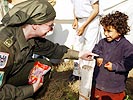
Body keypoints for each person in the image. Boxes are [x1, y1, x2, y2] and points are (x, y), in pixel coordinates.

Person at [0, 0, 98, 100]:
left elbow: (53, 50)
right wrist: (30, 90)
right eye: (50, 26)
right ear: (35, 24)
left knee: (43, 66)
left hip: (9, 75)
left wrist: (80, 54)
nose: (51, 30)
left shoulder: (29, 36)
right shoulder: (4, 48)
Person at [91, 11, 133, 100]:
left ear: (120, 31)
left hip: (114, 88)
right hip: (98, 83)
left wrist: (114, 66)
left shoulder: (127, 46)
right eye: (104, 30)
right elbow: (95, 49)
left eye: (109, 31)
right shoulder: (103, 42)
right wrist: (99, 56)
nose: (106, 34)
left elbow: (129, 63)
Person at [69, 0, 101, 99]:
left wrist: (84, 26)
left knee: (89, 50)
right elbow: (75, 6)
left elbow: (96, 10)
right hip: (80, 20)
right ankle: (77, 73)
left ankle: (87, 78)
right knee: (78, 47)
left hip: (91, 21)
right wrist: (75, 19)